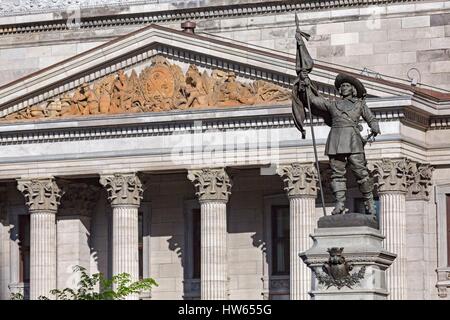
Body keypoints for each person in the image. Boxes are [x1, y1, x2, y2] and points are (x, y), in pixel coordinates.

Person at [299, 71, 381, 215]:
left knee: (361, 172)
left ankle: (369, 202)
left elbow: (371, 118)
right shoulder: (333, 104)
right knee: (337, 174)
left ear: (353, 89)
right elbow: (313, 101)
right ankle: (340, 203)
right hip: (336, 139)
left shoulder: (359, 104)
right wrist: (306, 85)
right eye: (342, 86)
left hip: (353, 140)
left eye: (346, 85)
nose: (343, 88)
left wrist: (374, 126)